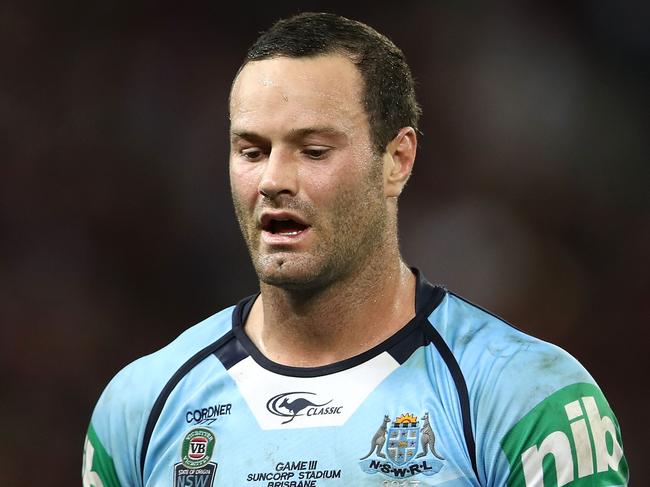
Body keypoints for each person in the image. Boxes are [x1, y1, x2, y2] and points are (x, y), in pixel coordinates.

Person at [82, 12, 628, 487]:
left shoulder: (526, 399)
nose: (273, 179)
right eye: (251, 150)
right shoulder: (139, 407)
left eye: (313, 150)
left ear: (397, 160)